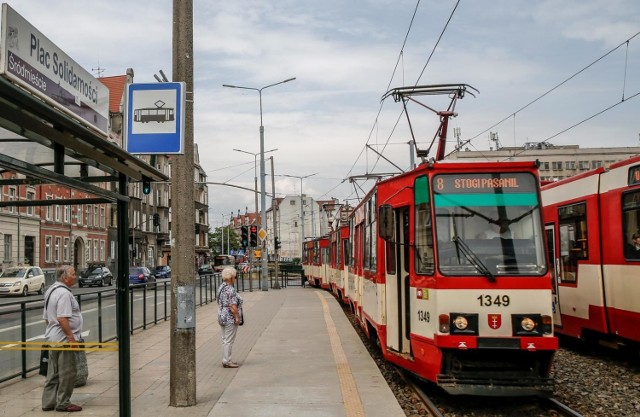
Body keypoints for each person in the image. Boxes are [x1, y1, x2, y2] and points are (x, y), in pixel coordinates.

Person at [42, 265, 83, 412]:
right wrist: (71, 339)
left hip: (53, 338)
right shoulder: (64, 294)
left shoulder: (51, 290)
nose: (75, 276)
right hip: (64, 341)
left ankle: (48, 402)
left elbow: (47, 318)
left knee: (53, 373)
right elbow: (62, 318)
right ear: (64, 277)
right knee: (67, 373)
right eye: (73, 274)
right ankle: (63, 402)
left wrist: (52, 332)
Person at [217, 267, 243, 368]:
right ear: (231, 277)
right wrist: (237, 317)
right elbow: (233, 306)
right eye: (235, 276)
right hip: (229, 317)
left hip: (221, 315)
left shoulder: (221, 287)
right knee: (229, 340)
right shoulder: (230, 289)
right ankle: (227, 360)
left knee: (224, 339)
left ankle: (225, 359)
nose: (235, 278)